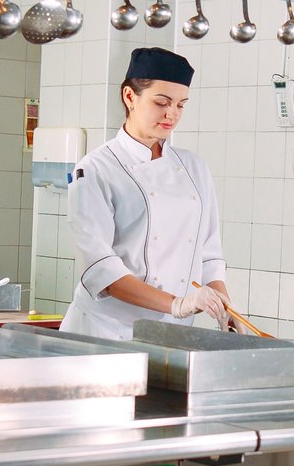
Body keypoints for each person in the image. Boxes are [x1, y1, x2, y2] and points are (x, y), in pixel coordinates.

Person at [60, 47, 232, 340]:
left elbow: (208, 256)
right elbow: (102, 270)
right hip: (106, 334)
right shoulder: (96, 169)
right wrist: (178, 304)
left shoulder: (194, 167)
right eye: (161, 102)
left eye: (181, 105)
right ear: (130, 97)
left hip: (172, 334)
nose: (172, 114)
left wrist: (225, 308)